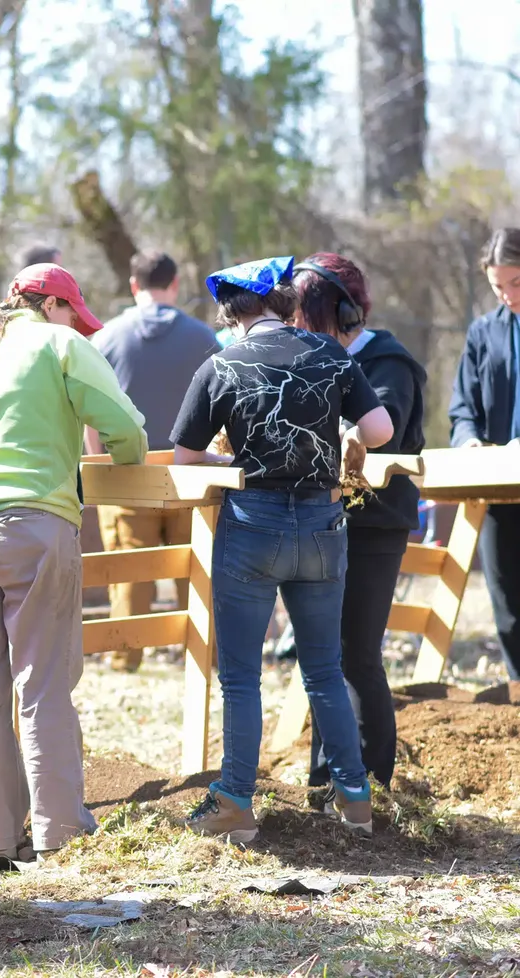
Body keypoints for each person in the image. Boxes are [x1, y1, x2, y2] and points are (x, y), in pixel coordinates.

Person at [170, 255, 394, 842]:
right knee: (325, 668)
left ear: (235, 312)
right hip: (323, 522)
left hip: (252, 524)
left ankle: (236, 804)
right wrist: (345, 434)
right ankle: (354, 798)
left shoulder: (221, 364)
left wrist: (231, 459)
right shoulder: (331, 354)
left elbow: (186, 460)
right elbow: (380, 432)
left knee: (242, 677)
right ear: (287, 303)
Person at [0, 263, 147, 869]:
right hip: (36, 527)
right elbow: (128, 431)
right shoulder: (61, 344)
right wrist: (121, 456)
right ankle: (59, 832)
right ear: (56, 307)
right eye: (75, 313)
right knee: (41, 685)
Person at [293, 252, 427, 791]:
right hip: (324, 519)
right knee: (323, 659)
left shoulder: (387, 362)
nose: (297, 326)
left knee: (357, 655)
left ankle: (372, 784)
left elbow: (385, 429)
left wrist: (345, 426)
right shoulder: (318, 358)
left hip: (373, 525)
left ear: (343, 315)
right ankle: (327, 784)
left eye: (306, 314)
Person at [90, 249, 220, 671]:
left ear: (133, 285)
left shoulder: (106, 337)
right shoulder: (204, 338)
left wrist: (98, 465)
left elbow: (89, 411)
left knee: (129, 573)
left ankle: (124, 657)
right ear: (176, 284)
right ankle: (203, 656)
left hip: (128, 475)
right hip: (191, 477)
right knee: (197, 570)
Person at [447, 228, 520, 681]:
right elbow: (462, 407)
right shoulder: (483, 332)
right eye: (499, 287)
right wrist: (468, 440)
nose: (510, 295)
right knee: (507, 600)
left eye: (518, 282)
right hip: (498, 486)